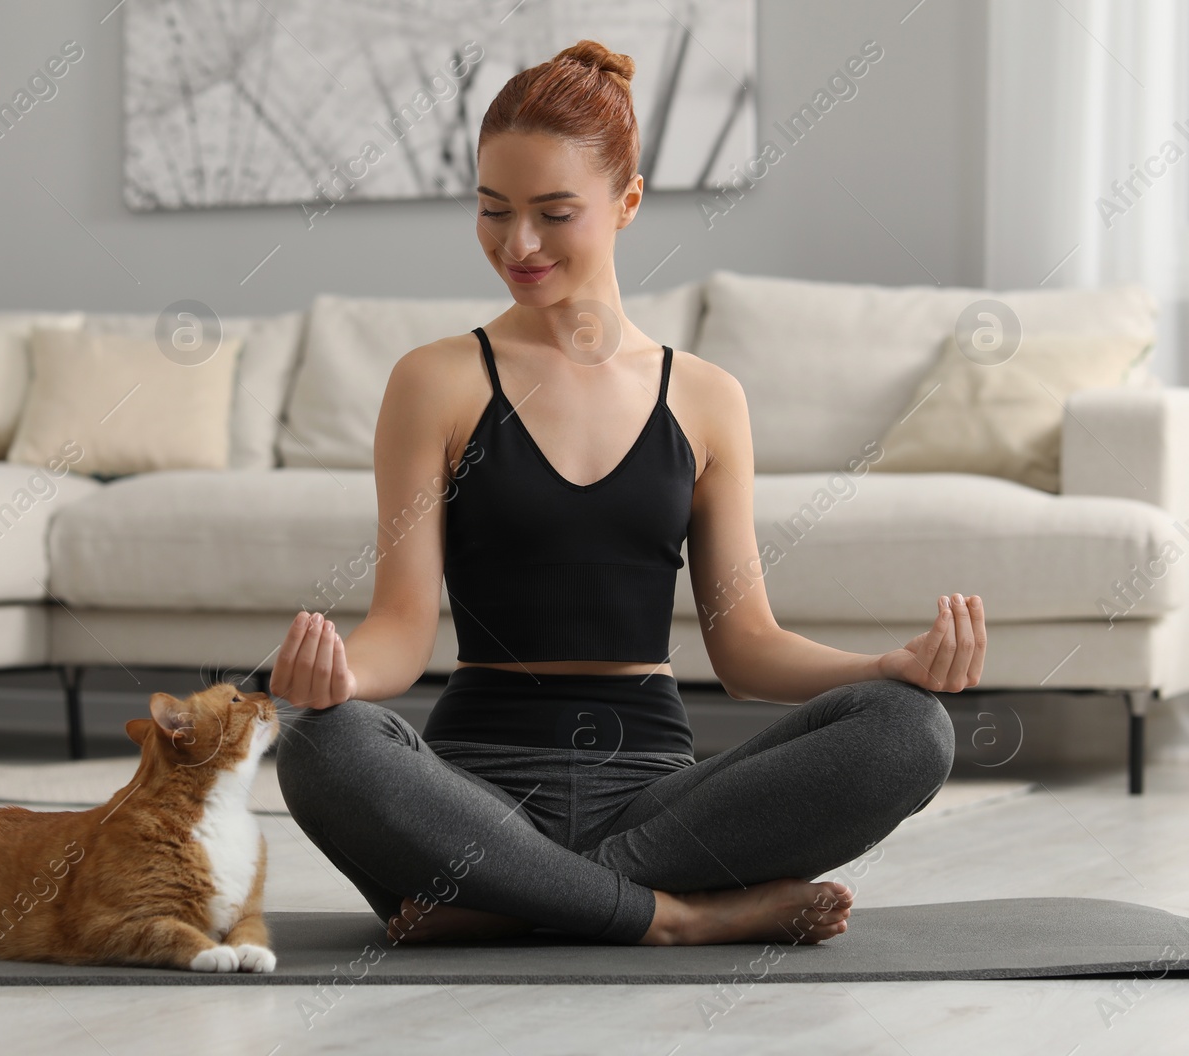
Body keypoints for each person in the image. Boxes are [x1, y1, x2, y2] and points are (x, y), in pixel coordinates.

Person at [270, 39, 985, 948]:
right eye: (493, 211)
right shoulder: (435, 381)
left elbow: (747, 647)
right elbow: (402, 631)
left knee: (909, 730)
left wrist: (887, 667)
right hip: (476, 794)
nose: (516, 244)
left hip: (655, 798)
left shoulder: (707, 398)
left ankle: (516, 902)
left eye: (552, 213)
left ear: (628, 203)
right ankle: (669, 918)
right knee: (322, 743)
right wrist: (332, 680)